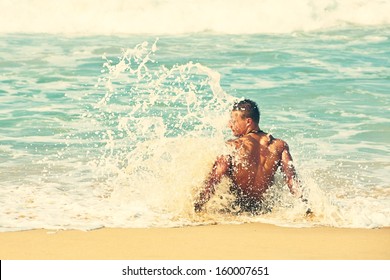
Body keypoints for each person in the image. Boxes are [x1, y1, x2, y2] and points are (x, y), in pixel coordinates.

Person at [194, 99, 303, 214]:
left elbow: (214, 179)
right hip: (264, 210)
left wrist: (196, 208)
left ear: (248, 122)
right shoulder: (279, 145)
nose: (229, 125)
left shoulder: (233, 146)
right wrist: (306, 207)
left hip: (236, 210)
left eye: (234, 121)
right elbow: (292, 180)